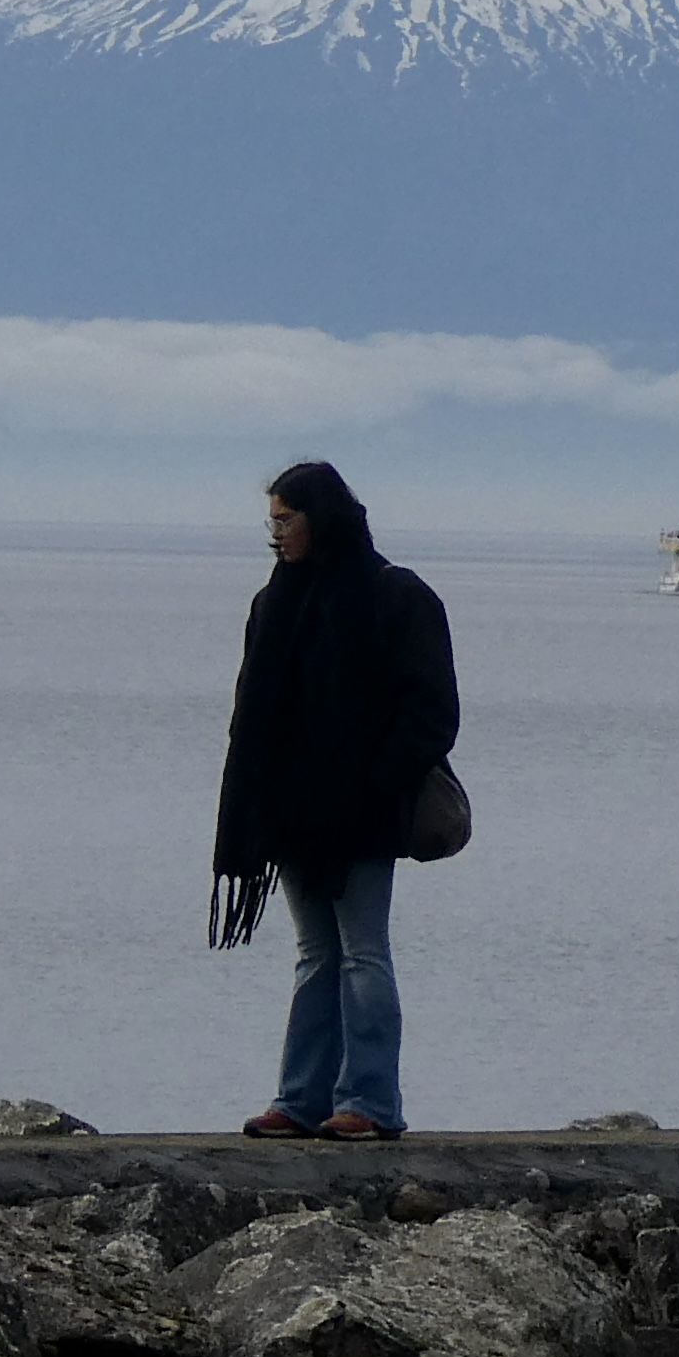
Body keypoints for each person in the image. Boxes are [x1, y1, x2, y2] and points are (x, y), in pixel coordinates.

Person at [208, 457, 458, 1140]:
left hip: (364, 816)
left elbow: (433, 713)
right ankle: (301, 1100)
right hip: (293, 817)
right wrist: (255, 811)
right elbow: (251, 718)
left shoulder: (394, 596)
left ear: (323, 518)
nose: (277, 534)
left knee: (362, 953)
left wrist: (371, 784)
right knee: (318, 954)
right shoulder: (276, 603)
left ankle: (371, 1103)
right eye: (273, 521)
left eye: (287, 519)